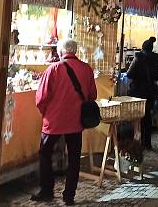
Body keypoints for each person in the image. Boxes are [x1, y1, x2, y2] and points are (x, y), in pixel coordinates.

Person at [32, 39, 96, 205]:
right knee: (74, 158)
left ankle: (47, 190)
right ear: (75, 51)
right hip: (76, 122)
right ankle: (69, 196)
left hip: (53, 121)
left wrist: (45, 113)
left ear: (60, 52)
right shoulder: (86, 69)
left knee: (45, 154)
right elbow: (92, 96)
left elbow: (41, 98)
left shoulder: (53, 69)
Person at [126, 39, 158, 149]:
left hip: (138, 90)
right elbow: (157, 76)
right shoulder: (157, 58)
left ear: (142, 47)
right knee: (147, 116)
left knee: (138, 117)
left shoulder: (138, 57)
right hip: (150, 91)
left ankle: (137, 141)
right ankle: (147, 142)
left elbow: (129, 74)